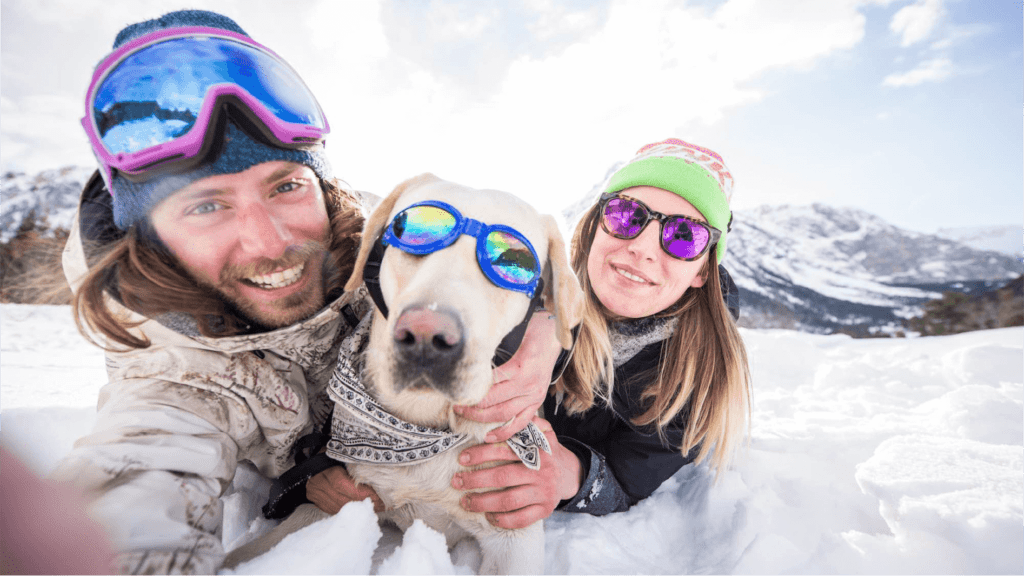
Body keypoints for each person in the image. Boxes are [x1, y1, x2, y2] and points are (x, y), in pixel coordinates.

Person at [49, 10, 557, 574]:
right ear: (150, 237)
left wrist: (543, 323)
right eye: (206, 206)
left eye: (286, 185)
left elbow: (510, 260)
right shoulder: (173, 382)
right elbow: (134, 486)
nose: (270, 242)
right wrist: (303, 478)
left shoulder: (390, 241)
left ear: (320, 181)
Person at [451, 138, 752, 525]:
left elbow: (627, 478)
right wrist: (547, 319)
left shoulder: (697, 370)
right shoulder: (517, 282)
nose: (642, 248)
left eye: (683, 236)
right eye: (627, 215)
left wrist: (568, 475)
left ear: (702, 272)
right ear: (595, 226)